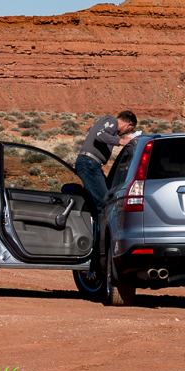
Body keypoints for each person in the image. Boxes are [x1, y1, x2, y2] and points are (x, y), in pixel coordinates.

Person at [75, 110, 137, 273]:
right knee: (105, 207)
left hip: (93, 166)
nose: (126, 132)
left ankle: (98, 247)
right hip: (88, 164)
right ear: (128, 124)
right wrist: (121, 141)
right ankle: (97, 255)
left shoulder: (112, 127)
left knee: (104, 204)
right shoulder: (110, 121)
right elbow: (100, 135)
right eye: (129, 130)